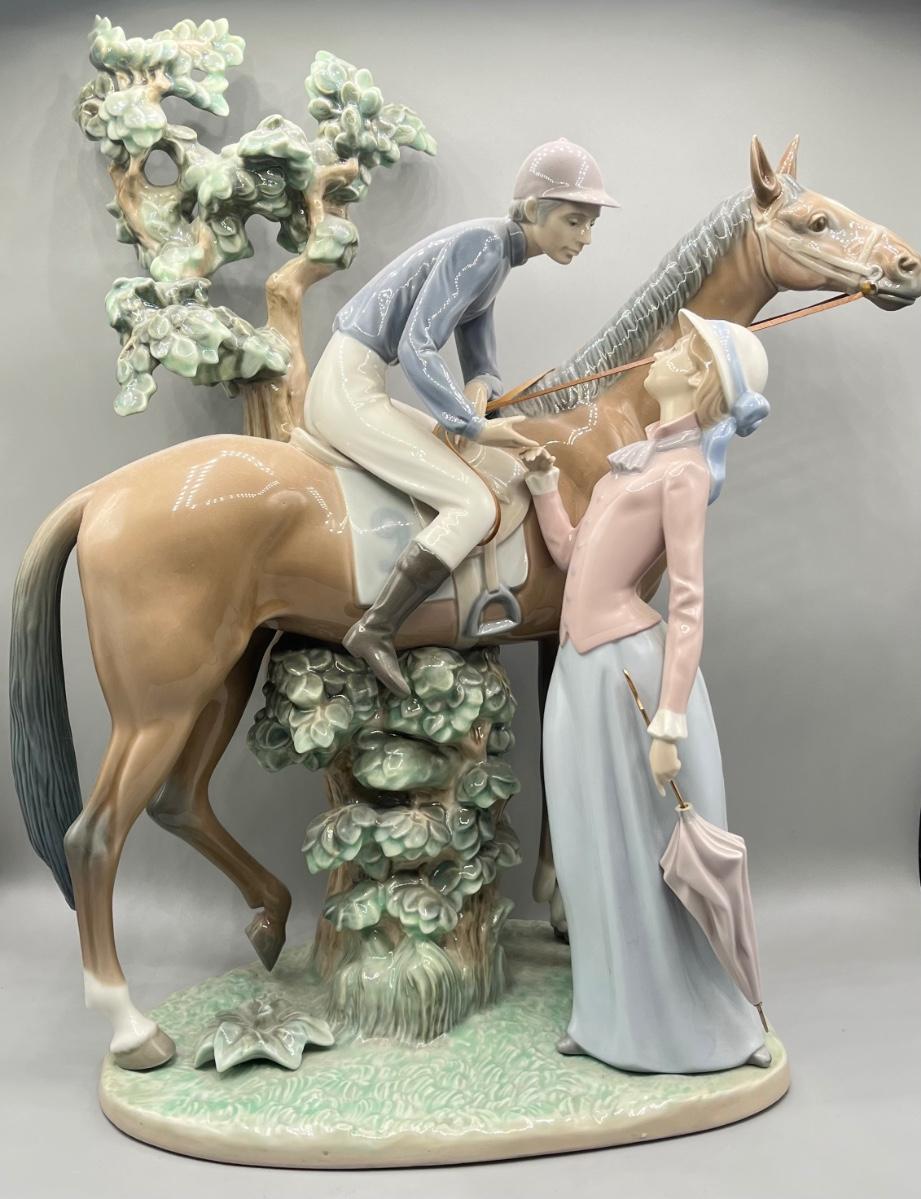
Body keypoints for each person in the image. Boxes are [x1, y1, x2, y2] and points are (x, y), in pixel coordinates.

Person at [523, 308, 772, 1073]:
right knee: (588, 841)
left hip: (627, 676)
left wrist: (668, 720)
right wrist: (543, 487)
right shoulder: (631, 462)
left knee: (641, 847)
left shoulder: (683, 472)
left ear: (697, 380)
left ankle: (697, 1025)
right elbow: (575, 555)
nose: (662, 351)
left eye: (680, 349)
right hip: (579, 674)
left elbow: (688, 601)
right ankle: (605, 1016)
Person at [304, 138, 619, 696]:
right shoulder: (483, 246)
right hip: (347, 387)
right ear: (533, 210)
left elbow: (480, 356)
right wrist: (472, 424)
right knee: (473, 504)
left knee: (476, 469)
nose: (585, 238)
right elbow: (418, 343)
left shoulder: (496, 255)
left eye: (590, 225)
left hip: (360, 382)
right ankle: (375, 628)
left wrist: (479, 389)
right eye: (574, 221)